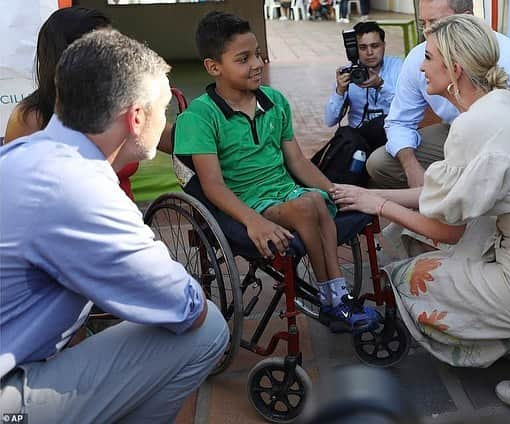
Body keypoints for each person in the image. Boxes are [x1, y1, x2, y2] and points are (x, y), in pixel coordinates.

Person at [332, 14, 510, 407]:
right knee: (409, 232)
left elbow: (445, 231)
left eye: (429, 56)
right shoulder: (507, 105)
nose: (420, 64)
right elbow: (440, 195)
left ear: (454, 69)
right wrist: (368, 196)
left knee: (407, 276)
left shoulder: (472, 127)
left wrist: (381, 202)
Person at [0, 29, 229, 422]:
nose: (167, 117)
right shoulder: (79, 187)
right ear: (137, 117)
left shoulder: (26, 152)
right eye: (164, 107)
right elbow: (185, 308)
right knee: (208, 331)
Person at [173, 12, 378, 333]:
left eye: (257, 54)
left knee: (316, 198)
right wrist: (253, 221)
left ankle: (335, 295)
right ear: (214, 67)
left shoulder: (275, 102)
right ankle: (334, 299)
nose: (256, 63)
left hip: (288, 192)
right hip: (248, 202)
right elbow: (212, 186)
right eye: (243, 59)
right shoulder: (199, 117)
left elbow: (297, 162)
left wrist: (334, 190)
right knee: (309, 204)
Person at [366, 0, 510, 189]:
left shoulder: (506, 54)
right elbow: (399, 121)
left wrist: (381, 203)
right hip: (455, 133)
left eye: (436, 24)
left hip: (505, 144)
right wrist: (412, 169)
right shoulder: (419, 57)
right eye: (423, 24)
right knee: (380, 162)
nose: (427, 34)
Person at [1, 7, 147, 200]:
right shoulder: (30, 118)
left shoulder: (123, 101)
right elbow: (12, 190)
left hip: (123, 223)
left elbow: (172, 138)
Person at [325, 21, 403, 150]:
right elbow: (330, 120)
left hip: (391, 135)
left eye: (375, 46)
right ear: (354, 50)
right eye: (362, 47)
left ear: (383, 45)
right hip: (359, 140)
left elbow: (407, 107)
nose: (370, 52)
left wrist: (380, 85)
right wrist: (339, 91)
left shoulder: (398, 67)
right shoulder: (348, 73)